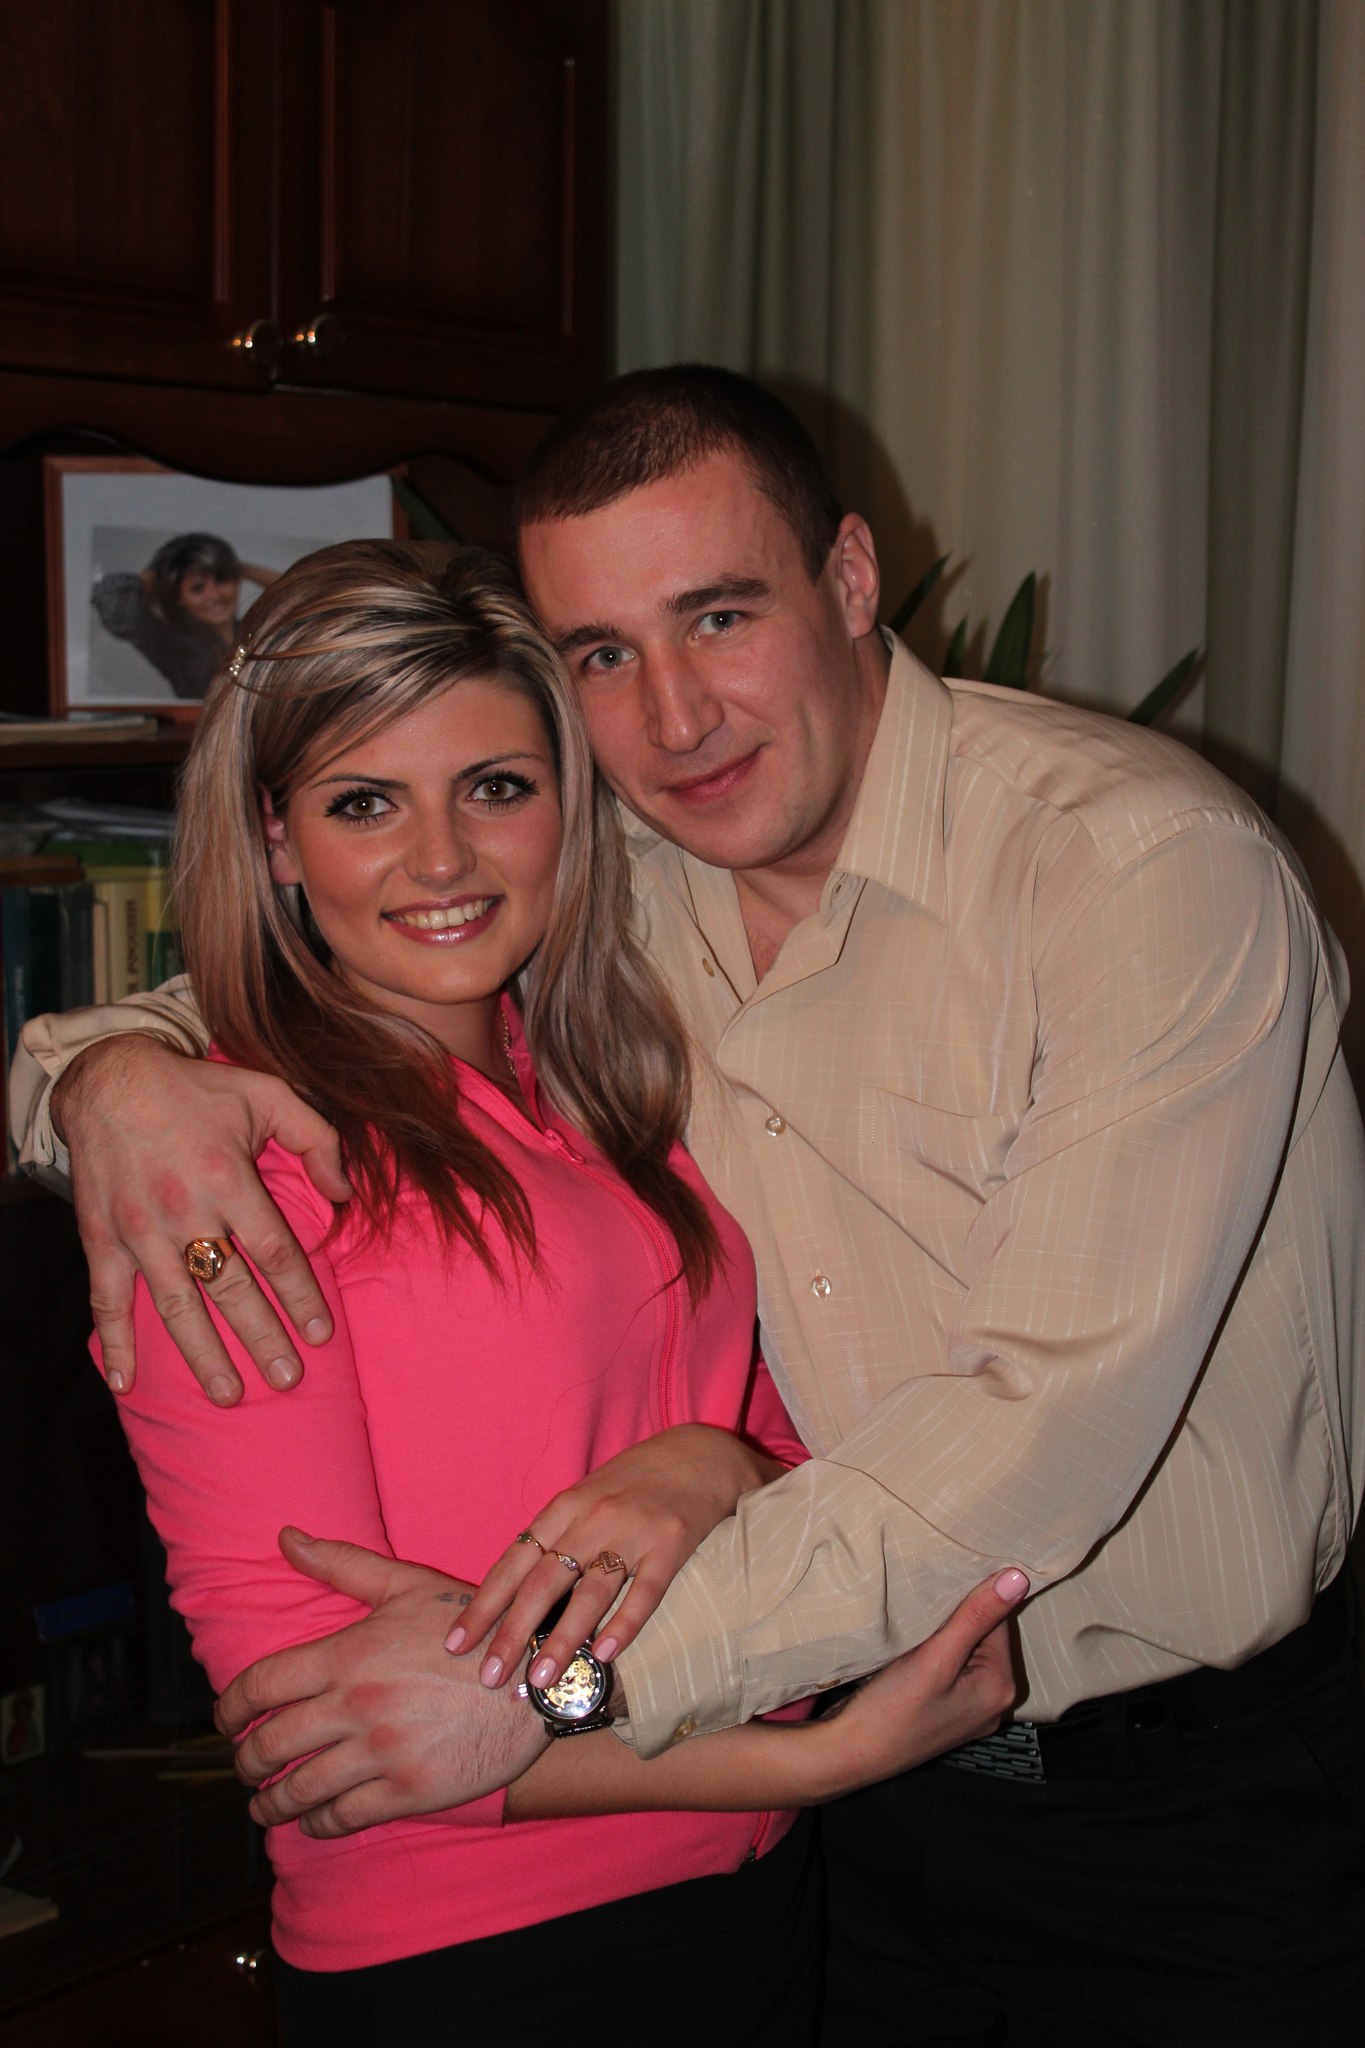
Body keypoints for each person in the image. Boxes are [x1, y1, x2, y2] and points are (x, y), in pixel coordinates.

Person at [14, 367, 1365, 2043]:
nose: (674, 717)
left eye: (719, 616)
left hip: (1180, 1817)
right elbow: (307, 975)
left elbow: (1041, 1429)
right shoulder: (626, 880)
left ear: (849, 578)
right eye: (601, 654)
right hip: (820, 1824)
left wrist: (569, 1681)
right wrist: (99, 1079)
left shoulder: (1133, 874)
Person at [75, 535, 1021, 2044]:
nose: (442, 860)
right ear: (273, 838)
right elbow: (304, 1707)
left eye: (497, 787)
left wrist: (711, 1464)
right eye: (364, 802)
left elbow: (781, 1436)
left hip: (748, 1902)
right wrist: (812, 1761)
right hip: (482, 1953)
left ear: (570, 809)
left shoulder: (601, 1091)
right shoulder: (226, 1179)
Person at [92, 532, 277, 700]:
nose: (214, 595)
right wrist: (163, 571)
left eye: (222, 579)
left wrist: (241, 568)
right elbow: (110, 598)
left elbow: (294, 595)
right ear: (180, 598)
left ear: (236, 582)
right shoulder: (172, 642)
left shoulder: (252, 631)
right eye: (197, 588)